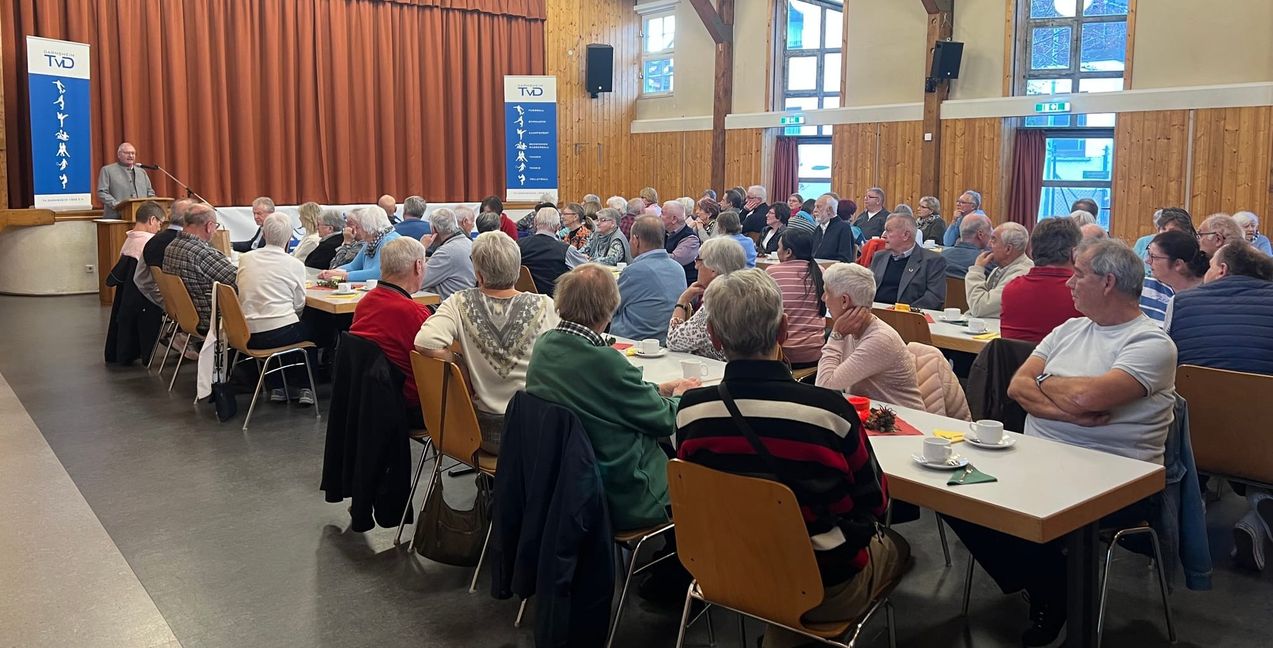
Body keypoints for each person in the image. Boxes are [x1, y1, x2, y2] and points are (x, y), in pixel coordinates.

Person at [675, 267, 906, 648]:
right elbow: (876, 502)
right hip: (823, 587)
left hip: (725, 570)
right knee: (898, 546)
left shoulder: (692, 411)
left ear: (714, 337)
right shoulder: (828, 412)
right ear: (783, 330)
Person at [966, 239, 1176, 645]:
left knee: (1032, 503)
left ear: (1109, 282)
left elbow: (1089, 398)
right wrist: (1066, 409)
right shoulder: (1069, 329)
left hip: (1113, 474)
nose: (1069, 284)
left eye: (1079, 274)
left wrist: (1050, 386)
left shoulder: (1151, 343)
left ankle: (1052, 589)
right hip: (1040, 457)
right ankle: (1049, 584)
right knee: (956, 495)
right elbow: (1018, 386)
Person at [525, 264, 699, 531]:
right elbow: (664, 420)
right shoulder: (605, 362)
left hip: (563, 483)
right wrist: (680, 396)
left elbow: (604, 394)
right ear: (610, 309)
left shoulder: (545, 345)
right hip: (622, 493)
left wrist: (658, 389)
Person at [1168, 241, 1273, 569]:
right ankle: (1260, 506)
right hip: (1264, 440)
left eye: (1210, 265)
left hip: (1196, 438)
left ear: (1223, 270)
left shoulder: (1182, 302)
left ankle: (1191, 517)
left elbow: (1167, 363)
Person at [414, 232, 558, 453]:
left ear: (478, 275)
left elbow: (425, 342)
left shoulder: (458, 302)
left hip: (481, 432)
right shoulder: (545, 305)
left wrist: (458, 363)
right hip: (535, 431)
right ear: (518, 269)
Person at [816, 263, 926, 409]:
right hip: (876, 416)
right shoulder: (851, 328)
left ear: (844, 301)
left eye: (827, 292)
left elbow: (824, 388)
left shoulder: (879, 339)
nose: (824, 298)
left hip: (902, 422)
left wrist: (836, 336)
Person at [348, 237, 432, 426]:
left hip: (371, 400)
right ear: (418, 266)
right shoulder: (414, 312)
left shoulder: (365, 303)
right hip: (408, 406)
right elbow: (434, 365)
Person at [236, 213, 315, 405]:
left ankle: (277, 387)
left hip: (245, 332)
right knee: (314, 333)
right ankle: (306, 388)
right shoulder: (295, 264)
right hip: (279, 332)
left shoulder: (245, 259)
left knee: (289, 328)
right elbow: (299, 304)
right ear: (289, 238)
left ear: (263, 233)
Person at [1000, 217, 1083, 343]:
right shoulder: (1082, 294)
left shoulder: (1010, 289)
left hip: (1015, 363)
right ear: (1074, 253)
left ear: (1032, 250)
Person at [667, 237, 747, 361]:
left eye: (699, 260)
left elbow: (674, 341)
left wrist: (682, 302)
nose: (696, 266)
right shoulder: (747, 293)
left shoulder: (716, 302)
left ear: (713, 269)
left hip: (717, 373)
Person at [162, 203, 237, 334]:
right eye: (215, 226)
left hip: (186, 316)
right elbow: (239, 281)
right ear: (209, 226)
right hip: (211, 320)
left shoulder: (171, 247)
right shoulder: (202, 253)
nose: (215, 231)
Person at [611, 215, 687, 343]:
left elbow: (610, 307)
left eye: (630, 239)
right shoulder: (678, 268)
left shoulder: (634, 271)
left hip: (632, 342)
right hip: (667, 339)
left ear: (635, 240)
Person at [766, 228, 825, 369]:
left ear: (788, 252)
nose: (777, 250)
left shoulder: (772, 273)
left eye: (779, 247)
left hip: (783, 355)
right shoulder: (820, 272)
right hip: (815, 353)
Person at [870, 214, 948, 310]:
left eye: (889, 231)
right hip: (875, 312)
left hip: (909, 318)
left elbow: (934, 297)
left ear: (906, 235)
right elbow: (867, 287)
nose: (883, 235)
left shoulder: (932, 261)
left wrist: (903, 310)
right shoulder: (879, 257)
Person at [1139, 230, 1208, 326]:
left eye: (1153, 257)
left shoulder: (1207, 294)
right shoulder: (1143, 287)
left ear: (1178, 264)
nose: (1147, 261)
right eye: (1149, 254)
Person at [965, 222, 1033, 318]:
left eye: (993, 240)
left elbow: (979, 308)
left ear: (1008, 249)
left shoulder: (1021, 276)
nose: (988, 244)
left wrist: (976, 270)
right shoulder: (1001, 268)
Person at [318, 206, 401, 282]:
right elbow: (353, 266)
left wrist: (344, 276)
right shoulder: (372, 241)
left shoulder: (390, 242)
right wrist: (333, 272)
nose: (356, 231)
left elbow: (378, 273)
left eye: (358, 227)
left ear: (368, 228)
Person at [137, 198, 194, 307]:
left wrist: (165, 303)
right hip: (191, 307)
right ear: (190, 220)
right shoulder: (189, 245)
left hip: (171, 306)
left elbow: (140, 279)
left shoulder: (151, 242)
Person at [518, 207, 586, 296]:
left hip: (525, 300)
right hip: (556, 302)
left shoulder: (518, 245)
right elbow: (587, 270)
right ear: (558, 226)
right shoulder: (566, 250)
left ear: (535, 223)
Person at [419, 207, 476, 300]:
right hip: (465, 303)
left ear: (434, 230)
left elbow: (416, 281)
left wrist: (421, 248)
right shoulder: (469, 243)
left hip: (443, 307)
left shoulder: (445, 253)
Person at [96, 142, 156, 220]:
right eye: (127, 153)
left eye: (133, 153)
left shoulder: (141, 172)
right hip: (117, 217)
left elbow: (150, 192)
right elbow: (102, 192)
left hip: (141, 218)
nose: (130, 156)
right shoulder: (108, 170)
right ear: (119, 155)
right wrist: (117, 205)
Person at [1133, 208, 1194, 273]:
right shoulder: (1143, 242)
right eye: (1163, 229)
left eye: (1172, 231)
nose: (1166, 234)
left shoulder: (1188, 253)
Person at [940, 212, 991, 278]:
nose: (991, 235)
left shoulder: (940, 257)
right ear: (980, 234)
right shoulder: (986, 261)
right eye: (990, 230)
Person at [662, 200, 702, 281]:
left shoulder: (691, 239)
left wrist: (653, 254)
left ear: (674, 219)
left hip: (684, 283)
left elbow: (674, 260)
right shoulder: (664, 232)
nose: (659, 216)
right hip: (668, 278)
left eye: (662, 213)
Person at [811, 194, 855, 262]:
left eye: (818, 207)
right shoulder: (818, 229)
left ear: (829, 209)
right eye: (815, 207)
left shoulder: (843, 228)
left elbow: (845, 258)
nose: (814, 210)